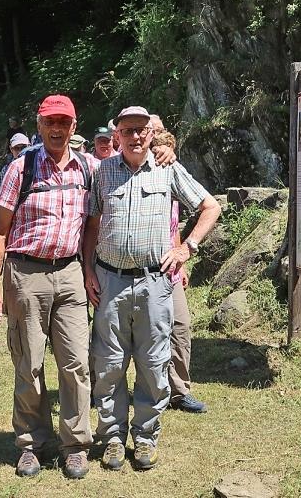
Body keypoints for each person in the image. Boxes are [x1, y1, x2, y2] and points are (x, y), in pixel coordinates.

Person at [82, 106, 221, 471]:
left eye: (141, 130)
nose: (135, 136)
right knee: (108, 364)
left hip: (154, 283)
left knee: (153, 363)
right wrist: (88, 270)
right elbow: (92, 225)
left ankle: (145, 438)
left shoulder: (167, 168)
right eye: (127, 130)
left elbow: (210, 206)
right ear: (117, 135)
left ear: (150, 133)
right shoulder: (103, 172)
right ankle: (112, 438)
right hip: (110, 281)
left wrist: (186, 248)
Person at [0, 94, 97, 480]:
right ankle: (32, 444)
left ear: (74, 126)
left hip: (70, 274)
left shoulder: (89, 168)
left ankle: (75, 445)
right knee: (29, 364)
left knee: (76, 364)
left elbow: (96, 218)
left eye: (64, 122)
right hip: (26, 274)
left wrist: (162, 151)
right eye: (50, 121)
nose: (57, 129)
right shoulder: (21, 168)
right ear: (39, 125)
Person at [151, 118, 207, 414]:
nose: (157, 133)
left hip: (169, 265)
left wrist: (182, 255)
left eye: (159, 128)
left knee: (180, 327)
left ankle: (179, 391)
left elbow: (173, 224)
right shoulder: (122, 167)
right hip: (135, 269)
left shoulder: (168, 169)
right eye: (152, 129)